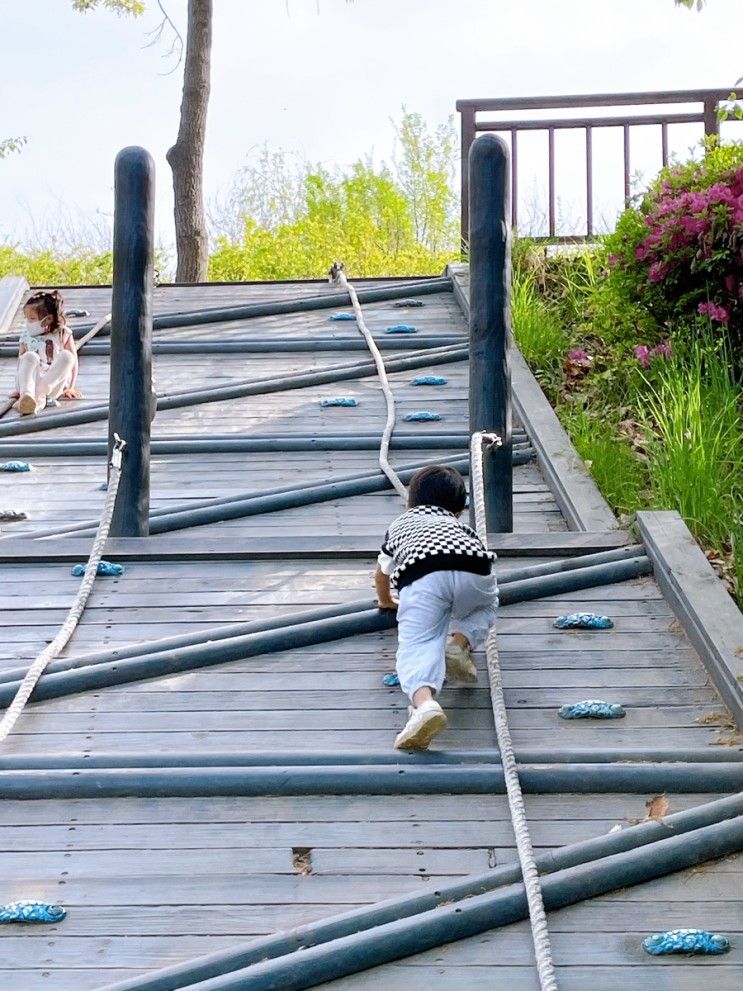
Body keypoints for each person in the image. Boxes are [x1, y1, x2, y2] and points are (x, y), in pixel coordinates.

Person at [375, 464, 498, 750]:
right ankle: (459, 642)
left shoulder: (400, 525)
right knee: (486, 604)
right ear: (458, 510)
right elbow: (478, 575)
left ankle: (425, 704)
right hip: (475, 568)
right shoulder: (461, 527)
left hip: (424, 573)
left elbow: (381, 573)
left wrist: (386, 601)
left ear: (411, 502)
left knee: (418, 644)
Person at [12, 290, 80, 415]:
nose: (28, 323)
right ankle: (26, 395)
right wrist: (20, 386)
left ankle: (38, 398)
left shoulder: (63, 333)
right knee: (29, 356)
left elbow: (73, 363)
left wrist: (71, 386)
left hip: (52, 384)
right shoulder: (26, 336)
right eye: (27, 319)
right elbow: (21, 365)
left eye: (32, 319)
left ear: (48, 319)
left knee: (67, 356)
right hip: (31, 382)